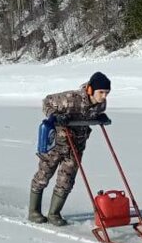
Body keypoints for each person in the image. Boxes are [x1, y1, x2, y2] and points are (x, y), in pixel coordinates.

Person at [28, 72, 111, 226]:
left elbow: (93, 114)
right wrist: (55, 116)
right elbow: (47, 102)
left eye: (107, 93)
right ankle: (34, 211)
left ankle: (54, 214)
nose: (104, 96)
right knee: (43, 176)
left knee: (66, 181)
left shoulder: (101, 104)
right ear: (90, 90)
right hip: (56, 144)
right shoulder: (70, 99)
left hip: (76, 146)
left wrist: (100, 118)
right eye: (101, 92)